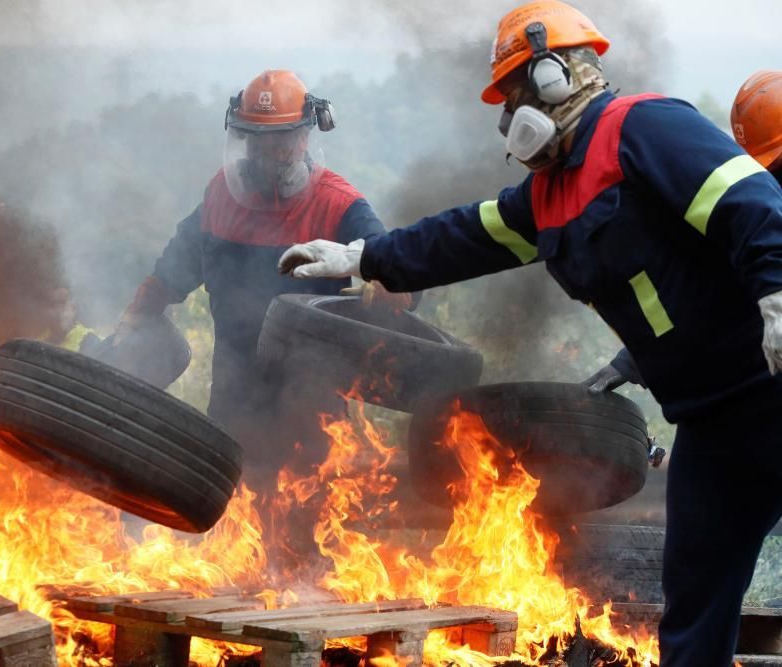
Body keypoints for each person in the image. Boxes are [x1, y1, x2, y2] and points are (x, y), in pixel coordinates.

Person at [277, 3, 782, 665]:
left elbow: (747, 197)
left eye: (515, 94)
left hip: (770, 388)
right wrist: (366, 257)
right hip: (711, 424)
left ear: (554, 76)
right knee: (694, 606)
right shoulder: (548, 195)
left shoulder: (646, 127)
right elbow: (464, 235)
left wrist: (777, 290)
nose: (508, 116)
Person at [115, 69, 407, 491]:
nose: (267, 155)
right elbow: (173, 269)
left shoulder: (339, 206)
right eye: (256, 141)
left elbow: (397, 273)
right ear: (242, 139)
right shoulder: (221, 196)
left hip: (313, 422)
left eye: (281, 143)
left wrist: (385, 287)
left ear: (305, 138)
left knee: (311, 542)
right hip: (233, 410)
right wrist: (136, 320)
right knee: (228, 537)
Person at [586, 68, 782, 394]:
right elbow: (716, 295)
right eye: (771, 169)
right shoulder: (755, 220)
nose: (774, 181)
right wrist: (633, 360)